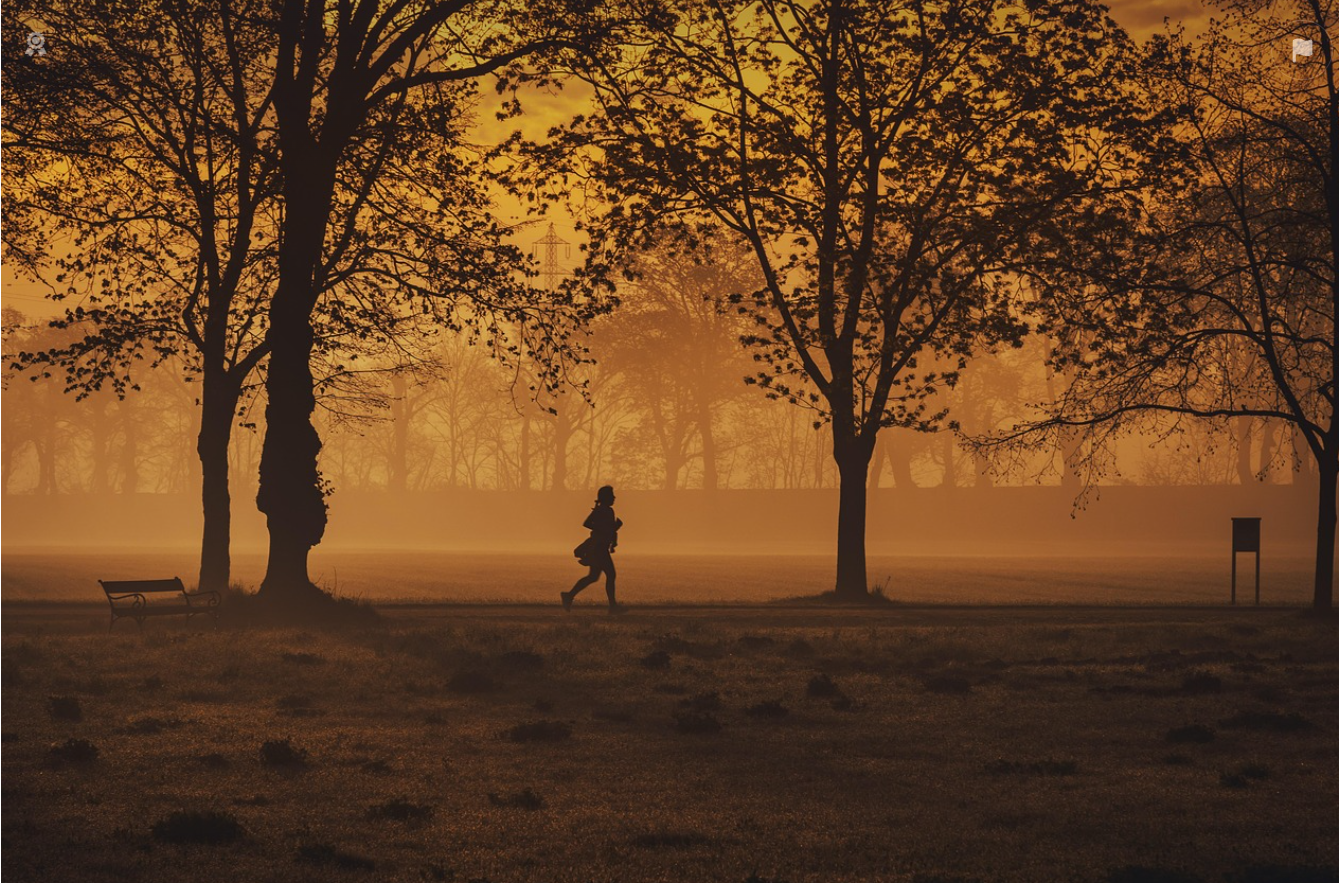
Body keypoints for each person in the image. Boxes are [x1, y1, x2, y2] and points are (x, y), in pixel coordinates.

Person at [563, 485, 624, 613]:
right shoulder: (601, 510)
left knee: (593, 577)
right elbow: (587, 523)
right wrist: (606, 529)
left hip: (601, 547)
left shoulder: (608, 510)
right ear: (606, 498)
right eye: (612, 495)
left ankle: (569, 596)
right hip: (599, 548)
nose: (614, 497)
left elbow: (610, 529)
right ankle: (612, 606)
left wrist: (613, 541)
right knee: (610, 575)